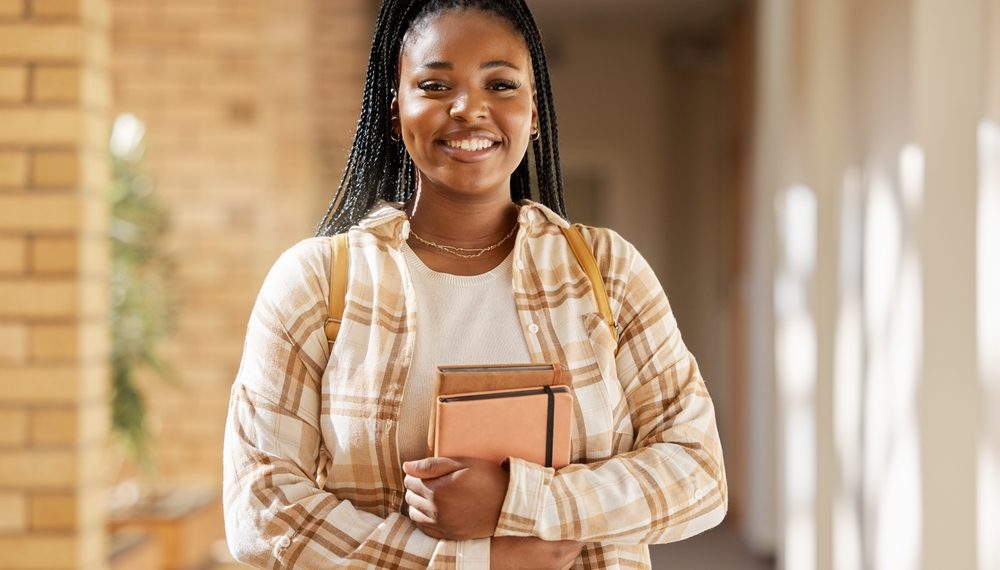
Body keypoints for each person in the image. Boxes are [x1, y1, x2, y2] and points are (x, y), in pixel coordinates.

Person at [222, 0, 728, 567]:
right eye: (436, 86)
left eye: (501, 84)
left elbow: (699, 474)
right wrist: (473, 562)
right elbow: (261, 508)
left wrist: (520, 499)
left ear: (534, 111)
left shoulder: (608, 273)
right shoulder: (315, 284)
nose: (469, 109)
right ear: (395, 110)